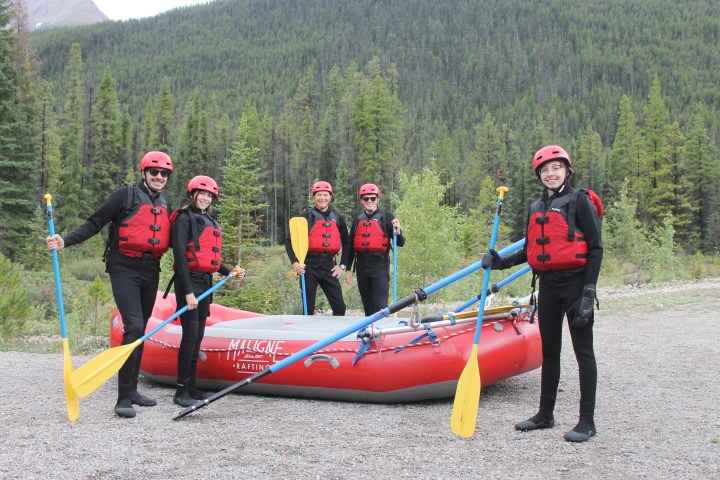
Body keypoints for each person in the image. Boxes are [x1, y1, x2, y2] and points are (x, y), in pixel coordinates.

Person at [483, 145, 603, 442]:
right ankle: (545, 415)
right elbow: (531, 249)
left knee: (583, 353)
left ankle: (587, 422)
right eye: (545, 170)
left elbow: (596, 248)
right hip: (548, 286)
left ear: (567, 170)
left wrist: (589, 291)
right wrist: (500, 263)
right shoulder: (537, 207)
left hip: (575, 286)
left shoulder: (580, 201)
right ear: (539, 175)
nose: (551, 173)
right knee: (549, 352)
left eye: (556, 168)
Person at [46, 151, 175, 418]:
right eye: (154, 172)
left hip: (151, 270)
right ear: (144, 173)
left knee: (141, 331)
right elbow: (95, 222)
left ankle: (134, 391)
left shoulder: (165, 203)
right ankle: (123, 397)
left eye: (164, 174)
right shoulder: (124, 195)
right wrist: (65, 241)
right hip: (123, 267)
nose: (159, 177)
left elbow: (172, 237)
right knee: (135, 326)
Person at [169, 175, 245, 407]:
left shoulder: (209, 220)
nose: (205, 198)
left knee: (198, 336)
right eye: (202, 194)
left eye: (209, 195)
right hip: (188, 283)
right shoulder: (184, 219)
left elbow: (208, 260)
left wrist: (228, 271)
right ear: (192, 194)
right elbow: (181, 257)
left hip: (204, 282)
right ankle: (181, 390)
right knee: (190, 336)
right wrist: (189, 292)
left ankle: (192, 386)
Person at [284, 181, 350, 316]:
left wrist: (342, 266)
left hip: (329, 266)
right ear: (314, 197)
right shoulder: (305, 216)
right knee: (308, 309)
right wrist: (295, 262)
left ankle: (334, 335)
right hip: (309, 266)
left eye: (325, 195)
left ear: (330, 197)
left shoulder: (337, 218)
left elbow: (347, 243)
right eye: (319, 195)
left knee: (340, 308)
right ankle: (308, 336)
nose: (322, 198)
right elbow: (288, 241)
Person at [341, 183, 405, 316]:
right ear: (361, 201)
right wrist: (348, 269)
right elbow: (352, 247)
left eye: (372, 198)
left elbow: (400, 243)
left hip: (380, 265)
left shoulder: (387, 217)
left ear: (378, 200)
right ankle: (370, 334)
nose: (369, 201)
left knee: (381, 305)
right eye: (366, 199)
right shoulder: (357, 220)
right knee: (368, 305)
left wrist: (398, 232)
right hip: (361, 265)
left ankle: (382, 332)